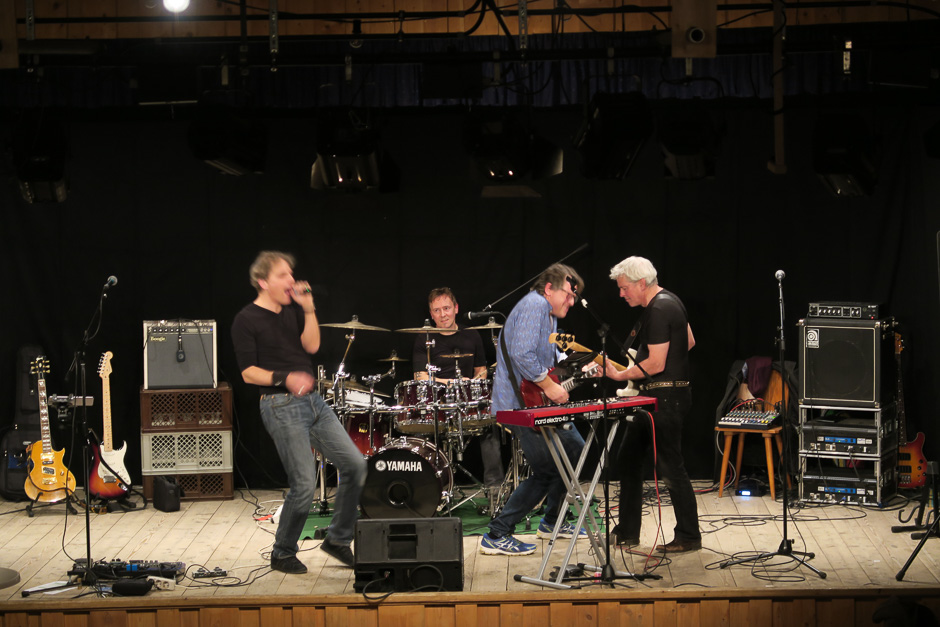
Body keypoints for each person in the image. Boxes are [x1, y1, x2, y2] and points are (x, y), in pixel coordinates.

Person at [231, 251, 366, 573]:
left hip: (313, 402)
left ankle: (337, 540)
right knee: (304, 484)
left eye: (291, 274)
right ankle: (282, 552)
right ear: (263, 282)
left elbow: (312, 346)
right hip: (280, 405)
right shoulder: (246, 319)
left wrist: (308, 309)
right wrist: (285, 378)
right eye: (282, 275)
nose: (291, 280)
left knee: (355, 465)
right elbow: (248, 373)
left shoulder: (292, 311)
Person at [480, 263, 589, 556]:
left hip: (533, 402)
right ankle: (497, 533)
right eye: (568, 294)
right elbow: (522, 354)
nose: (572, 302)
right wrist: (550, 387)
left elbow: (548, 357)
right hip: (519, 405)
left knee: (575, 450)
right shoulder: (535, 305)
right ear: (549, 289)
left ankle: (552, 521)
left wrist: (582, 365)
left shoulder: (547, 313)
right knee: (547, 470)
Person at [603, 256, 701, 553]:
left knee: (670, 467)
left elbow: (656, 364)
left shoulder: (658, 309)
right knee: (628, 459)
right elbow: (689, 341)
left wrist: (619, 374)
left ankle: (689, 536)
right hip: (661, 396)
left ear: (641, 283)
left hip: (665, 399)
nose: (621, 294)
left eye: (624, 288)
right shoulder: (670, 301)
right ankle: (628, 531)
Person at [411, 287, 504, 492]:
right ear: (431, 314)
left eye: (446, 308)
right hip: (437, 402)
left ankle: (495, 488)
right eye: (437, 310)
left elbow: (481, 371)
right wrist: (449, 383)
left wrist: (471, 384)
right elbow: (420, 377)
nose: (443, 314)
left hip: (466, 400)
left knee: (489, 424)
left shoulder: (471, 335)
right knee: (420, 429)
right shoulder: (424, 338)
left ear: (456, 308)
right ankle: (427, 489)